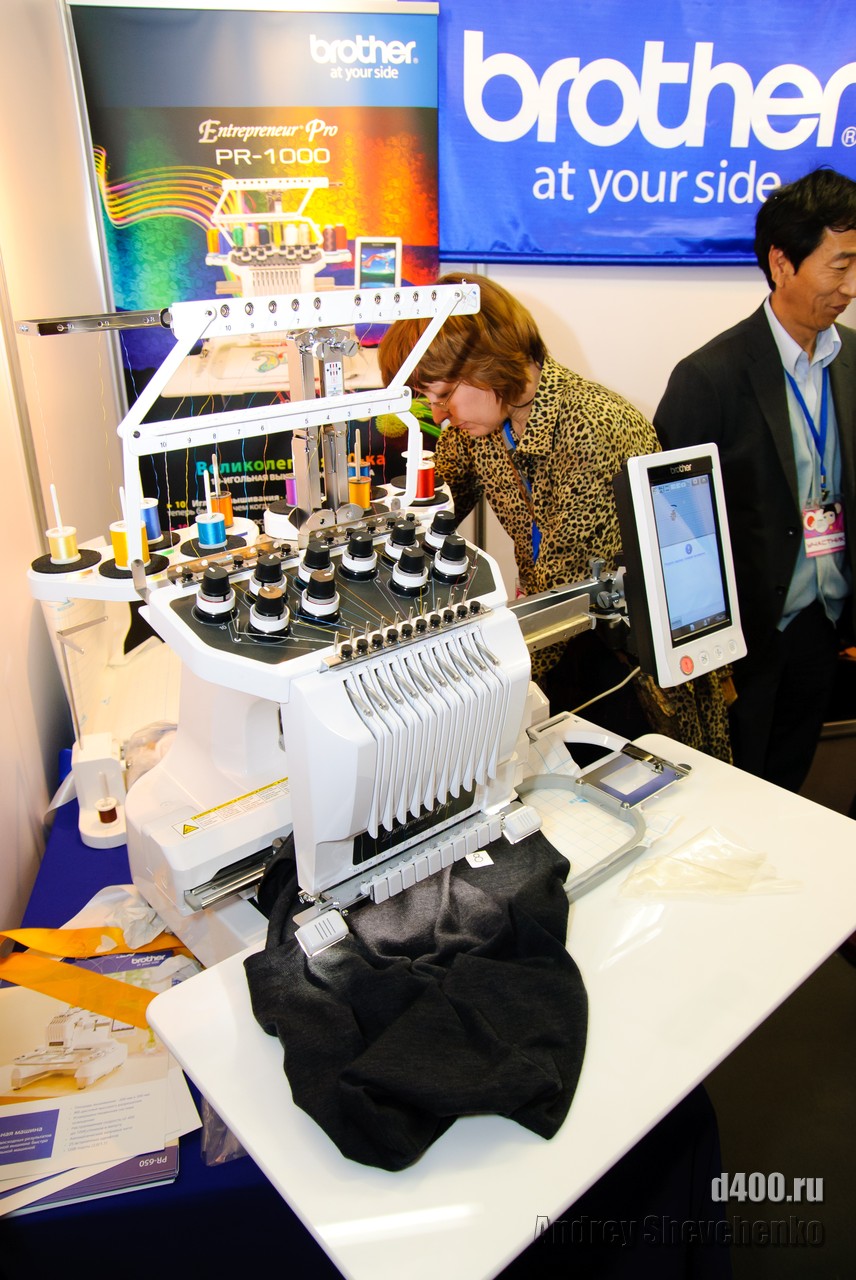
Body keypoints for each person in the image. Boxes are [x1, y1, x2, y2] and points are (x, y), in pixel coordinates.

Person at [377, 272, 732, 758]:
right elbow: (431, 515)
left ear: (487, 363)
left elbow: (564, 589)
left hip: (626, 662)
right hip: (556, 635)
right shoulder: (480, 426)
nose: (439, 415)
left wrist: (471, 695)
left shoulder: (592, 428)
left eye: (442, 395)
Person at [654, 168, 856, 792]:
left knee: (791, 787)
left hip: (823, 626)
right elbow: (672, 529)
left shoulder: (851, 360)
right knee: (732, 794)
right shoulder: (710, 377)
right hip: (743, 644)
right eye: (839, 266)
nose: (851, 287)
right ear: (782, 263)